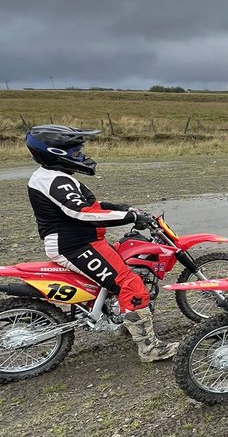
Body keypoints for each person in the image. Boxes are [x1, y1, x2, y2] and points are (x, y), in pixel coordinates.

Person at [24, 124, 178, 362]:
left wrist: (124, 208)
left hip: (79, 241)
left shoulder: (50, 176)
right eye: (74, 152)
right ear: (56, 153)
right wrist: (130, 217)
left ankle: (119, 315)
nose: (81, 155)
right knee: (131, 284)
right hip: (75, 245)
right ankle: (150, 349)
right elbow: (83, 213)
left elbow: (93, 206)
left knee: (121, 268)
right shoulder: (57, 181)